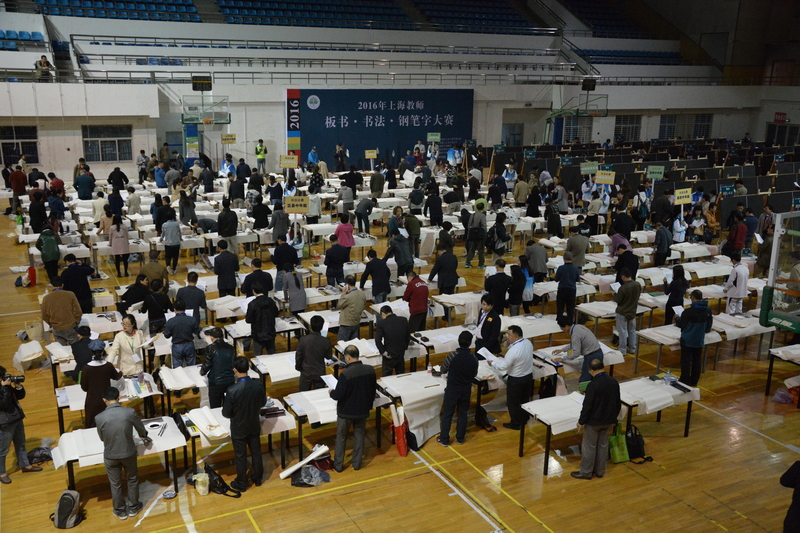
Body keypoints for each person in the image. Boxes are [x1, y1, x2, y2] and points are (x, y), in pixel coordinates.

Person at [95, 387, 150, 519]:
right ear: (119, 398)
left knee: (115, 483)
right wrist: (144, 435)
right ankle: (134, 507)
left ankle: (119, 510)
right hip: (128, 453)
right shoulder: (129, 412)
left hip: (111, 455)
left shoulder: (99, 417)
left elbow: (102, 438)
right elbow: (140, 428)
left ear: (104, 400)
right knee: (132, 479)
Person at [571, 359, 621, 480]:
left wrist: (581, 421)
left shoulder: (593, 385)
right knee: (603, 446)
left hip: (594, 422)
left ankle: (586, 472)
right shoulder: (613, 382)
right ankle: (600, 471)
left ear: (592, 370)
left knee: (589, 447)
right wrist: (614, 419)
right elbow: (617, 402)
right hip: (608, 420)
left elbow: (587, 406)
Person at [329, 345, 377, 472]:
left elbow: (338, 395)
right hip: (362, 410)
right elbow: (373, 390)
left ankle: (338, 465)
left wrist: (331, 392)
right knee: (359, 435)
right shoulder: (370, 370)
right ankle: (357, 463)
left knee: (341, 437)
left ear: (348, 358)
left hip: (346, 412)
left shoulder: (346, 374)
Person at [222, 357, 266, 491]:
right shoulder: (258, 385)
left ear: (235, 370)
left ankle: (241, 483)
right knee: (256, 452)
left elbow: (226, 413)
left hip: (239, 427)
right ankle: (258, 478)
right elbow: (263, 403)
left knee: (240, 456)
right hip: (254, 424)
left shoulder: (232, 390)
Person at [0, 365, 41, 485]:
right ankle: (2, 473)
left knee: (21, 444)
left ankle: (25, 465)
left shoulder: (5, 386)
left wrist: (18, 387)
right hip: (4, 424)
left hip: (17, 419)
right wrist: (5, 388)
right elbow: (4, 404)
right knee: (3, 450)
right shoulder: (4, 387)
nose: (4, 378)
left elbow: (19, 396)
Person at [437, 331, 479, 446]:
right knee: (463, 413)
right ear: (470, 343)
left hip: (452, 389)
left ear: (458, 341)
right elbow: (474, 374)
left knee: (448, 414)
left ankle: (444, 439)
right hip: (466, 390)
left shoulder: (451, 356)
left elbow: (443, 370)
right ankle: (460, 438)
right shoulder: (474, 358)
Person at [490, 325, 534, 430]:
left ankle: (516, 423)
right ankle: (524, 418)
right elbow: (518, 352)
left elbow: (503, 366)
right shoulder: (528, 342)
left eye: (509, 335)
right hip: (528, 377)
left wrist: (492, 363)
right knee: (524, 400)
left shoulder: (513, 351)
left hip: (516, 380)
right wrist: (508, 345)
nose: (507, 337)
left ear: (516, 336)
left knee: (513, 403)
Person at [81, 339, 123, 428]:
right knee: (109, 425)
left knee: (92, 425)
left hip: (92, 401)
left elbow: (84, 388)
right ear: (103, 351)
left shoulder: (86, 368)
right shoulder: (108, 366)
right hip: (107, 400)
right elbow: (116, 377)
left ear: (91, 351)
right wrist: (121, 372)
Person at [675, 290, 713, 387]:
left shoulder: (688, 312)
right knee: (697, 361)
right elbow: (708, 327)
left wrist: (677, 318)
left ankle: (684, 380)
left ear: (692, 298)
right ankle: (694, 381)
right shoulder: (708, 310)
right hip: (699, 340)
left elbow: (681, 324)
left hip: (687, 340)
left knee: (686, 361)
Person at [553, 317, 604, 383]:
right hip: (598, 353)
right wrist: (562, 350)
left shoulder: (575, 335)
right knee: (595, 379)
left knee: (584, 380)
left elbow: (576, 353)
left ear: (566, 326)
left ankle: (586, 389)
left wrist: (563, 359)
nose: (562, 330)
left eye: (562, 328)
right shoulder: (578, 327)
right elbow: (575, 343)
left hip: (591, 357)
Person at [200, 328, 236, 408]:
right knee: (229, 406)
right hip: (230, 380)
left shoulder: (210, 348)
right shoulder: (231, 348)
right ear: (223, 336)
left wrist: (202, 372)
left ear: (211, 337)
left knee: (215, 407)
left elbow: (207, 365)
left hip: (216, 382)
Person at [294, 315, 332, 391]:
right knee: (319, 394)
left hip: (306, 372)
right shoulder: (326, 341)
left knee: (303, 393)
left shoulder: (303, 339)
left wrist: (298, 367)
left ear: (310, 326)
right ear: (322, 327)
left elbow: (299, 356)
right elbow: (329, 356)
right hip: (319, 372)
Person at [163, 301, 200, 368]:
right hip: (189, 345)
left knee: (177, 369)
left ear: (174, 309)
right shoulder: (192, 319)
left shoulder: (170, 321)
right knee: (192, 367)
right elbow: (197, 332)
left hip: (177, 346)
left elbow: (166, 335)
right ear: (185, 308)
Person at [246, 282, 279, 355]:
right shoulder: (270, 301)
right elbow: (276, 313)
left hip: (258, 333)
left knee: (258, 355)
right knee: (272, 354)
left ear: (253, 291)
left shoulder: (252, 304)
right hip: (270, 331)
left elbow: (249, 320)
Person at [376, 305, 410, 376]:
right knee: (401, 376)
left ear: (383, 313)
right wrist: (404, 348)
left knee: (387, 377)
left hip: (389, 354)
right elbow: (408, 337)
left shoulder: (382, 323)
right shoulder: (403, 320)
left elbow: (378, 340)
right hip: (400, 353)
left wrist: (384, 352)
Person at [614, 268, 641, 355]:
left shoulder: (623, 288)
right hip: (632, 311)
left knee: (622, 331)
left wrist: (614, 295)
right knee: (632, 331)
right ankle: (633, 348)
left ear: (623, 277)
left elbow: (618, 300)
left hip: (623, 312)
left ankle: (622, 349)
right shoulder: (637, 284)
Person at [337, 276, 366, 342]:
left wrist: (343, 293)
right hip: (356, 322)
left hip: (346, 324)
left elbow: (340, 305)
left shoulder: (348, 296)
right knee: (353, 343)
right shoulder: (362, 294)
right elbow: (363, 306)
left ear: (347, 285)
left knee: (342, 344)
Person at [554, 251, 580, 321]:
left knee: (560, 306)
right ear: (572, 258)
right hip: (571, 289)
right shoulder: (575, 268)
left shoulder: (560, 268)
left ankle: (559, 319)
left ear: (563, 258)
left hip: (562, 289)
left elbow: (556, 279)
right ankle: (570, 320)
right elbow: (577, 279)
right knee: (570, 307)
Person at [465, 202, 487, 268]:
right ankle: (481, 264)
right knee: (481, 250)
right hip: (480, 235)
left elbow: (469, 225)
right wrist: (485, 233)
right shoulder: (482, 216)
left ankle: (467, 262)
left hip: (473, 234)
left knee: (472, 249)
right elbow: (484, 226)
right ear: (483, 208)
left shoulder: (473, 215)